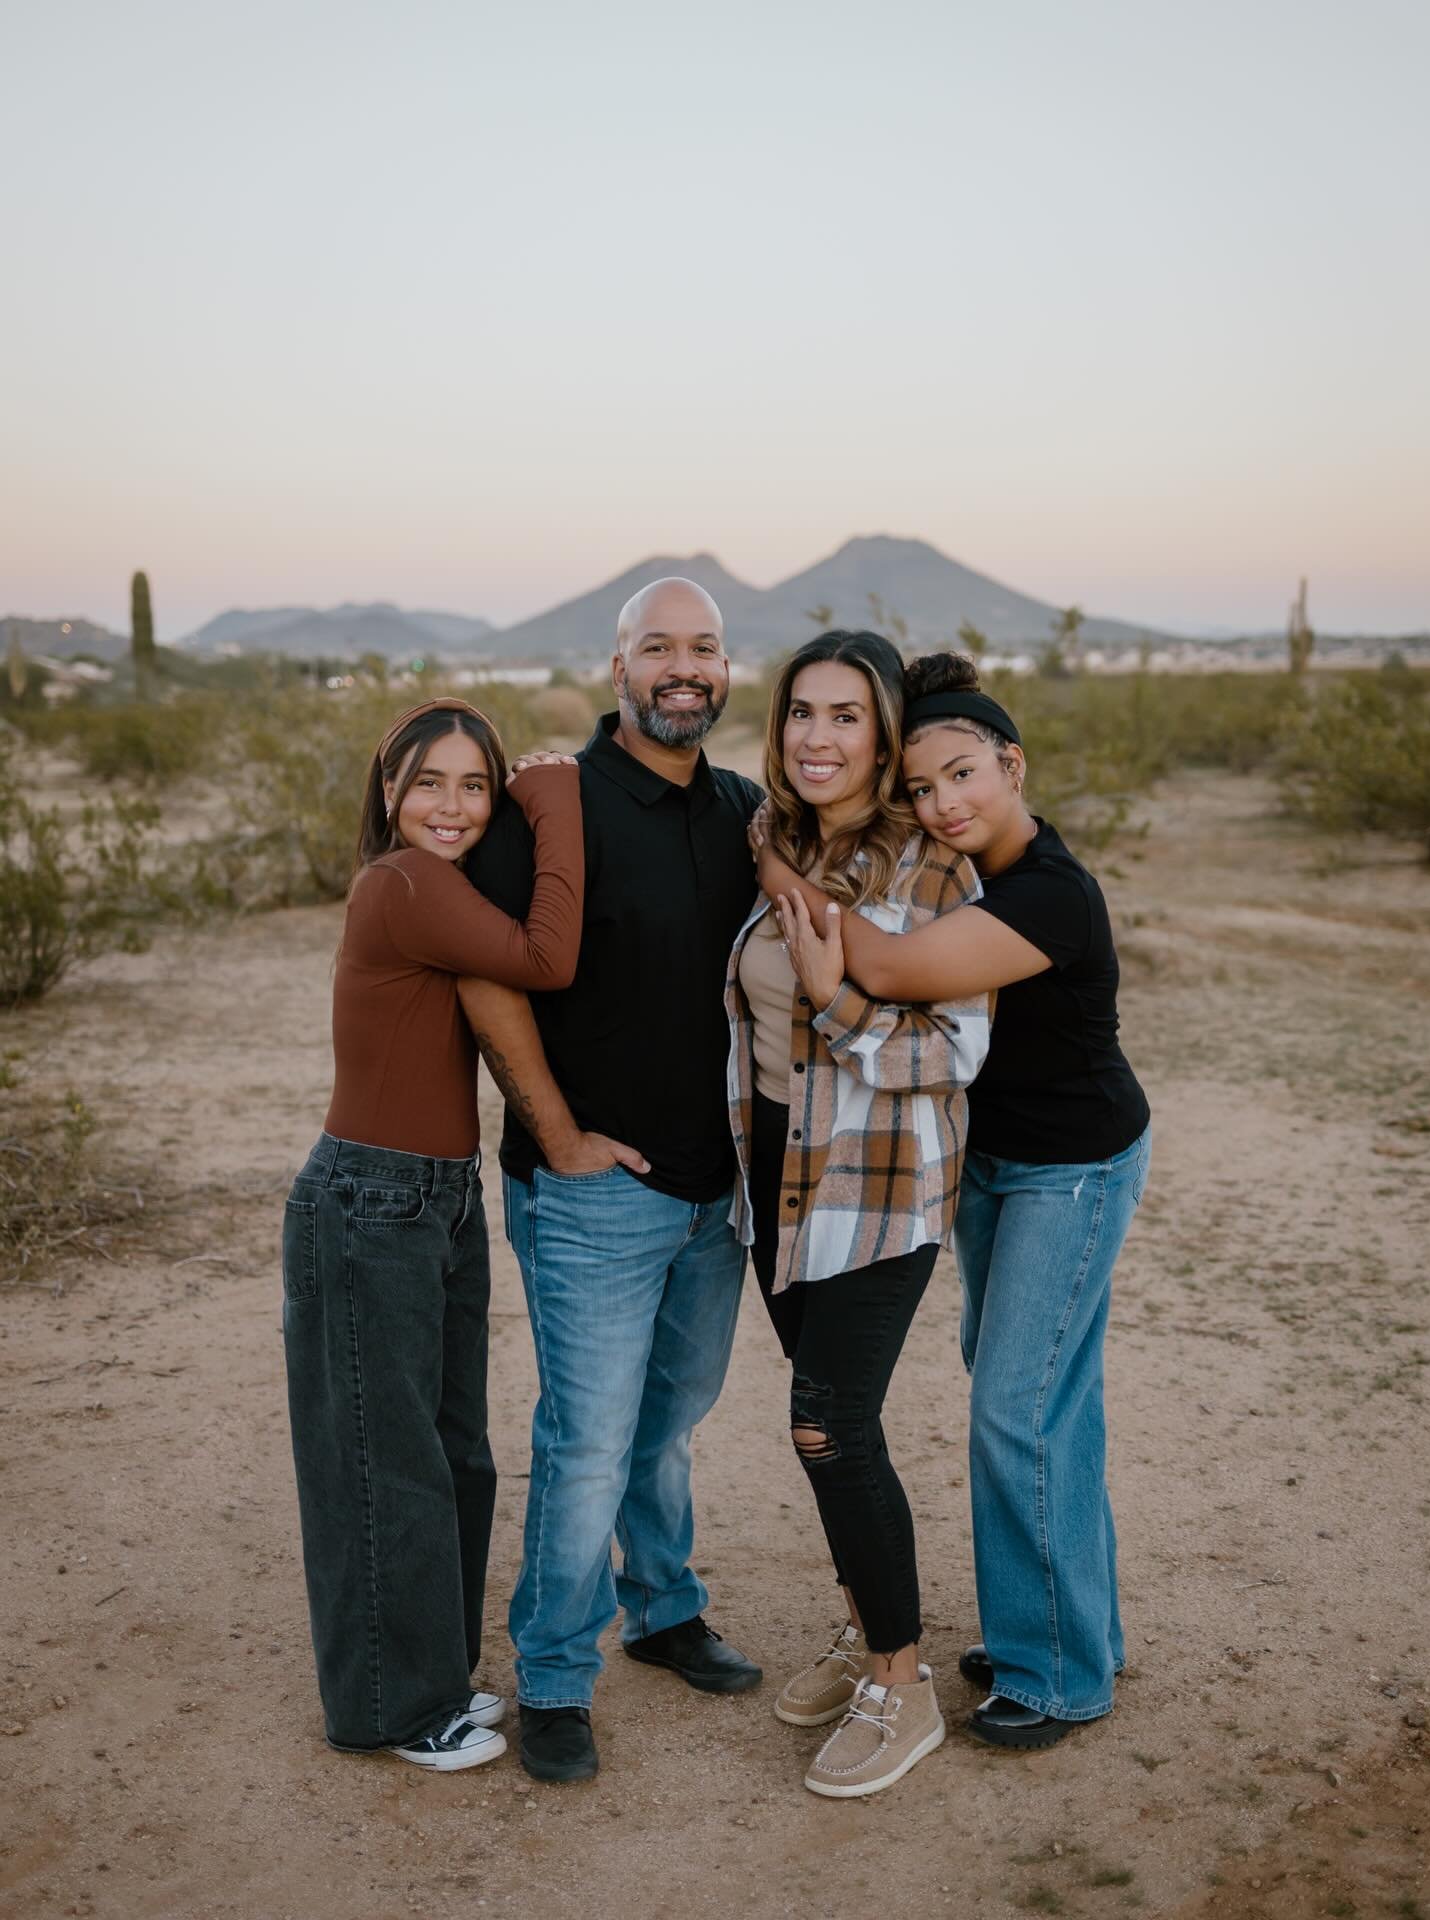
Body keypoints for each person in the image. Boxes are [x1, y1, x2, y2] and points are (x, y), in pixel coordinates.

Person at [760, 650, 1152, 1750]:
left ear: (1012, 762)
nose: (944, 805)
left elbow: (882, 971)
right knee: (1039, 1399)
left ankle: (1057, 1675)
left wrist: (795, 908)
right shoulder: (959, 860)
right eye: (923, 787)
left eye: (965, 776)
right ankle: (1075, 1631)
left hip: (1070, 1168)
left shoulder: (1049, 895)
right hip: (989, 1166)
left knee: (1017, 1405)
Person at [461, 578, 765, 1785]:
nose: (682, 667)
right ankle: (551, 1673)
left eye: (703, 648)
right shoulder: (552, 804)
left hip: (716, 1190)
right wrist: (561, 1130)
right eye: (658, 648)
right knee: (587, 1437)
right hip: (592, 1189)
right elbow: (488, 978)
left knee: (668, 1422)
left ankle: (664, 1608)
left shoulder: (746, 809)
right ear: (619, 664)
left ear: (725, 667)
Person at [281, 697, 583, 1772]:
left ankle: (437, 1680)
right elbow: (548, 958)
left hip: (434, 1200)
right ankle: (393, 1708)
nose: (451, 806)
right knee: (386, 1462)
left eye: (476, 784)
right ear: (389, 791)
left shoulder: (439, 883)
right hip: (372, 1200)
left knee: (454, 1452)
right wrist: (555, 804)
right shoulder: (404, 884)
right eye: (428, 783)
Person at [733, 630, 991, 1798]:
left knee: (832, 1428)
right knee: (821, 1434)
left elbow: (956, 1049)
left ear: (885, 734)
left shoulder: (932, 869)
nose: (818, 737)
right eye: (801, 713)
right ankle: (860, 1626)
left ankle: (903, 1680)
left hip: (881, 1188)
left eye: (846, 716)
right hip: (776, 1176)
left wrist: (839, 1003)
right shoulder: (777, 841)